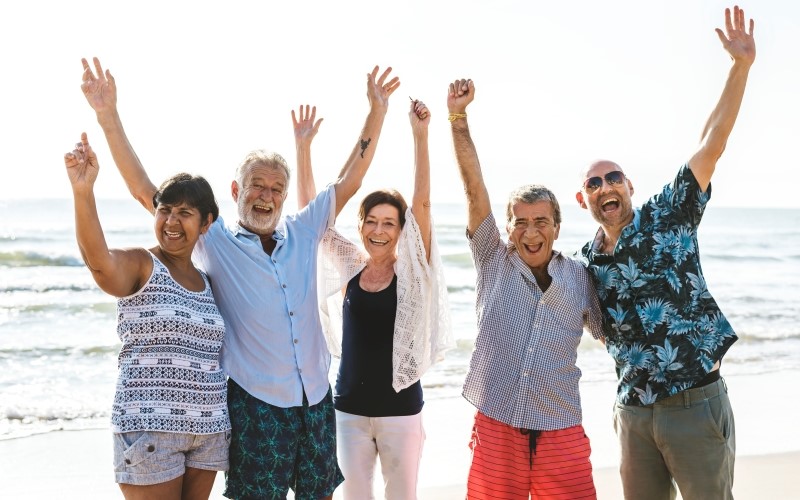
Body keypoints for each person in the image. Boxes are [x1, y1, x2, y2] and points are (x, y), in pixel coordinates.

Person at [79, 56, 400, 499]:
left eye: (275, 189)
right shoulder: (214, 240)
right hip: (255, 404)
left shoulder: (305, 231)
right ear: (236, 191)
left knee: (320, 494)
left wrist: (376, 110)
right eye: (256, 185)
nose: (265, 196)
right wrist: (108, 115)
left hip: (315, 398)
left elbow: (349, 178)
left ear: (285, 196)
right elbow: (145, 190)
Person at [574, 6, 755, 499]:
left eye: (614, 178)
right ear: (583, 198)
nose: (606, 186)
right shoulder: (584, 262)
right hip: (633, 410)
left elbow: (711, 142)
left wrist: (739, 68)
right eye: (594, 182)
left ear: (629, 185)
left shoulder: (669, 212)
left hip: (694, 402)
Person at [447, 78, 604, 500]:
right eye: (521, 222)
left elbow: (616, 335)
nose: (530, 232)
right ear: (509, 227)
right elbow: (473, 188)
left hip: (561, 424)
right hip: (498, 421)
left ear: (556, 227)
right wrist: (458, 119)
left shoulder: (580, 278)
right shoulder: (492, 258)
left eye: (541, 222)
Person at [292, 100, 454, 499]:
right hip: (349, 411)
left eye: (389, 223)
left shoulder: (413, 274)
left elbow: (423, 204)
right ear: (361, 224)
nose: (379, 231)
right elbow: (312, 218)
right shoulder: (351, 266)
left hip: (401, 412)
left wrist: (421, 135)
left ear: (402, 230)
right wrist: (303, 149)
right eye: (371, 221)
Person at [64, 133, 229, 499]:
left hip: (208, 430)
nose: (171, 221)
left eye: (185, 213)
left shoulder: (206, 279)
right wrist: (83, 192)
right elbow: (100, 263)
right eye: (165, 210)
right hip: (149, 429)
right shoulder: (143, 264)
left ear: (206, 223)